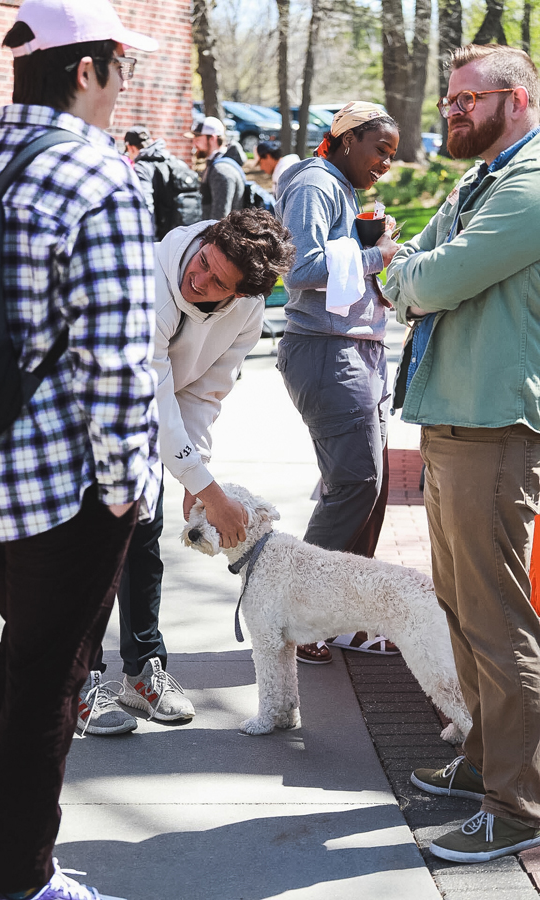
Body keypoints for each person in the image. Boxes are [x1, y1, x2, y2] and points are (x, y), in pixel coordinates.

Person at [0, 0, 160, 897]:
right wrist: (126, 487)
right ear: (85, 68)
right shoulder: (98, 177)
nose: (124, 83)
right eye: (122, 65)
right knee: (55, 676)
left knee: (23, 649)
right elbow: (119, 361)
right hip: (64, 484)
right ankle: (24, 879)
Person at [384, 43, 540, 864]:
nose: (450, 111)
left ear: (514, 99)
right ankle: (485, 760)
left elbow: (437, 276)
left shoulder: (531, 183)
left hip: (495, 428)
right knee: (460, 607)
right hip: (450, 419)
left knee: (497, 618)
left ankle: (519, 802)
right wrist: (413, 269)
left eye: (464, 99)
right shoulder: (481, 177)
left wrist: (409, 277)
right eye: (449, 99)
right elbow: (420, 252)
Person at [80, 208, 297, 734]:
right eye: (202, 263)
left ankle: (141, 674)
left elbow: (205, 388)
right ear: (203, 240)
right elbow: (151, 393)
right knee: (89, 551)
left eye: (217, 281)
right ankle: (76, 682)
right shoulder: (150, 283)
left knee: (144, 541)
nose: (197, 279)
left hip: (147, 426)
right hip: (89, 419)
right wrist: (204, 486)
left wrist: (193, 466)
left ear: (243, 293)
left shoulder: (245, 309)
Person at [275, 102, 400, 664]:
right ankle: (299, 614)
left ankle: (342, 615)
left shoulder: (342, 188)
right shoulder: (315, 182)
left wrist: (371, 241)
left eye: (392, 156)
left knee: (369, 489)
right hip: (327, 352)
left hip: (356, 351)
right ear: (347, 139)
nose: (385, 165)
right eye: (380, 150)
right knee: (354, 485)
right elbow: (296, 269)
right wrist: (375, 254)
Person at [122, 124, 202, 239]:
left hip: (160, 238)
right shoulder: (174, 161)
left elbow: (145, 206)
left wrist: (148, 239)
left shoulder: (142, 167)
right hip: (183, 236)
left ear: (130, 147)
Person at [186, 116, 245, 219]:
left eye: (198, 138)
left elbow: (220, 219)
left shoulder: (221, 170)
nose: (194, 143)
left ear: (212, 138)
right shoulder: (215, 166)